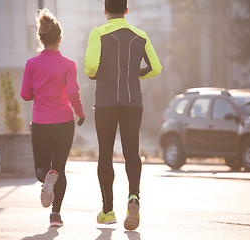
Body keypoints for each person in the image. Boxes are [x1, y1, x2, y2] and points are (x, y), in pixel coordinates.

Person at [85, 0, 162, 231]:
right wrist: (132, 74)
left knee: (105, 153)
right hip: (132, 101)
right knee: (131, 152)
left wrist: (104, 75)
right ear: (127, 11)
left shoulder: (98, 33)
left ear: (105, 10)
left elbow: (90, 67)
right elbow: (156, 68)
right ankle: (133, 197)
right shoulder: (140, 35)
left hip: (106, 101)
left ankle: (108, 211)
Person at [21, 8, 85, 228]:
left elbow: (25, 95)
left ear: (40, 38)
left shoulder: (31, 64)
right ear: (60, 39)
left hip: (40, 122)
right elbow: (73, 93)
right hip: (64, 122)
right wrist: (80, 112)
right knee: (61, 168)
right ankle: (55, 215)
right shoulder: (69, 65)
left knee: (43, 167)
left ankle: (46, 176)